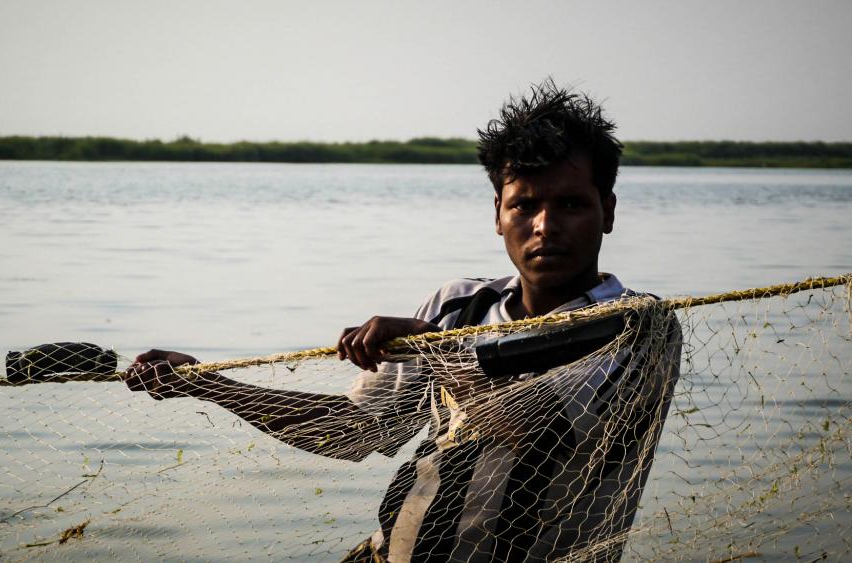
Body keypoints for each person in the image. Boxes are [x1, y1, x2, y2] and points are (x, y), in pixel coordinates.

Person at [124, 79, 681, 562]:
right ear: (497, 214)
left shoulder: (639, 327)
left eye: (571, 205)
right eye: (524, 205)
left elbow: (534, 437)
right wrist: (208, 384)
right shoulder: (458, 305)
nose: (543, 226)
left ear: (607, 211)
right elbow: (349, 432)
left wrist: (436, 349)